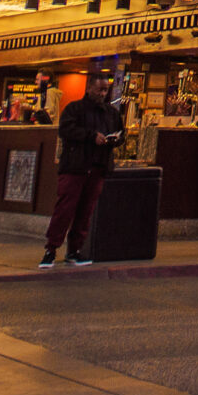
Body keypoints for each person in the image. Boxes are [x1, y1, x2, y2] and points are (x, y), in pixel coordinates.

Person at [44, 81, 125, 267]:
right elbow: (65, 130)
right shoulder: (74, 109)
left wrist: (115, 140)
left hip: (98, 166)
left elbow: (121, 134)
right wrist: (90, 136)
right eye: (99, 89)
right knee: (65, 209)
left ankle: (74, 250)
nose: (102, 93)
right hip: (76, 166)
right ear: (89, 89)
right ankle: (51, 249)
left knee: (85, 212)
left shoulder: (111, 113)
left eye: (105, 90)